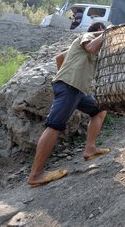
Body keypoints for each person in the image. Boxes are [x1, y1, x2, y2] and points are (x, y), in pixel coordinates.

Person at [27, 21, 110, 187]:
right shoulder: (88, 36)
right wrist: (66, 80)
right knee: (55, 125)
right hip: (70, 87)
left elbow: (60, 57)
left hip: (77, 90)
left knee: (99, 110)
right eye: (105, 31)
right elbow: (91, 48)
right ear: (100, 30)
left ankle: (90, 149)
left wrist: (63, 74)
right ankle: (36, 175)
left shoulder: (82, 47)